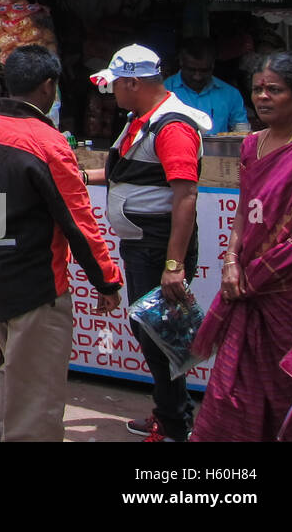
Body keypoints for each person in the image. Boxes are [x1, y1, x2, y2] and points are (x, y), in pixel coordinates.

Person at [0, 46, 122, 441]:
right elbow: (79, 222)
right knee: (37, 386)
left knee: (14, 370)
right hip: (36, 283)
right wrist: (106, 281)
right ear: (48, 87)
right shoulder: (48, 142)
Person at [92, 44, 209, 442]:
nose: (111, 94)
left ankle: (176, 425)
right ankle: (171, 413)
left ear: (133, 82)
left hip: (159, 248)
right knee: (152, 333)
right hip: (141, 245)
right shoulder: (139, 119)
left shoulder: (171, 126)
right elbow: (120, 173)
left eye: (115, 86)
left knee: (158, 338)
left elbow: (186, 196)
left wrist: (173, 265)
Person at [190, 52, 292, 442]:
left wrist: (264, 266)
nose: (263, 97)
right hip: (247, 285)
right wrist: (231, 261)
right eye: (257, 89)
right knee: (232, 388)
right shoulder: (251, 144)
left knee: (287, 389)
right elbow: (244, 209)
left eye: (275, 90)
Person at [164, 37, 247, 133]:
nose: (197, 77)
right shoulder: (165, 90)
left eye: (204, 71)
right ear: (181, 63)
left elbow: (241, 132)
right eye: (191, 70)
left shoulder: (231, 94)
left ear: (213, 66)